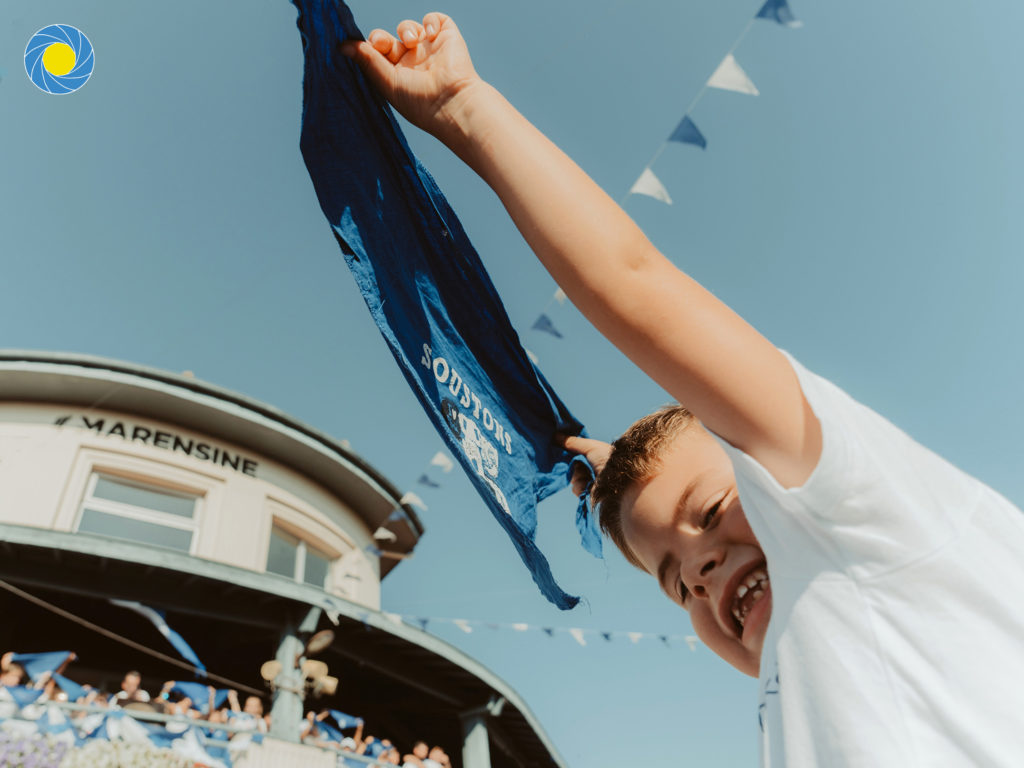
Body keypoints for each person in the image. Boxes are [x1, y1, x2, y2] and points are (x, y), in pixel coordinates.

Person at [342, 13, 1024, 766]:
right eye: (675, 584)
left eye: (712, 510)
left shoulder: (863, 511)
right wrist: (634, 485)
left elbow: (631, 284)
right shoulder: (796, 695)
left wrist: (464, 109)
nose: (697, 571)